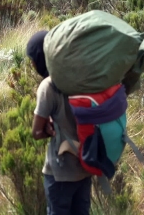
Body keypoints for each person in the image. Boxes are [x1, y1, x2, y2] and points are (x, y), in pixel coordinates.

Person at [27, 31, 92, 215]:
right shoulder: (81, 79)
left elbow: (36, 132)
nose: (32, 64)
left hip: (60, 172)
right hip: (85, 167)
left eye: (32, 59)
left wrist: (48, 129)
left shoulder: (49, 86)